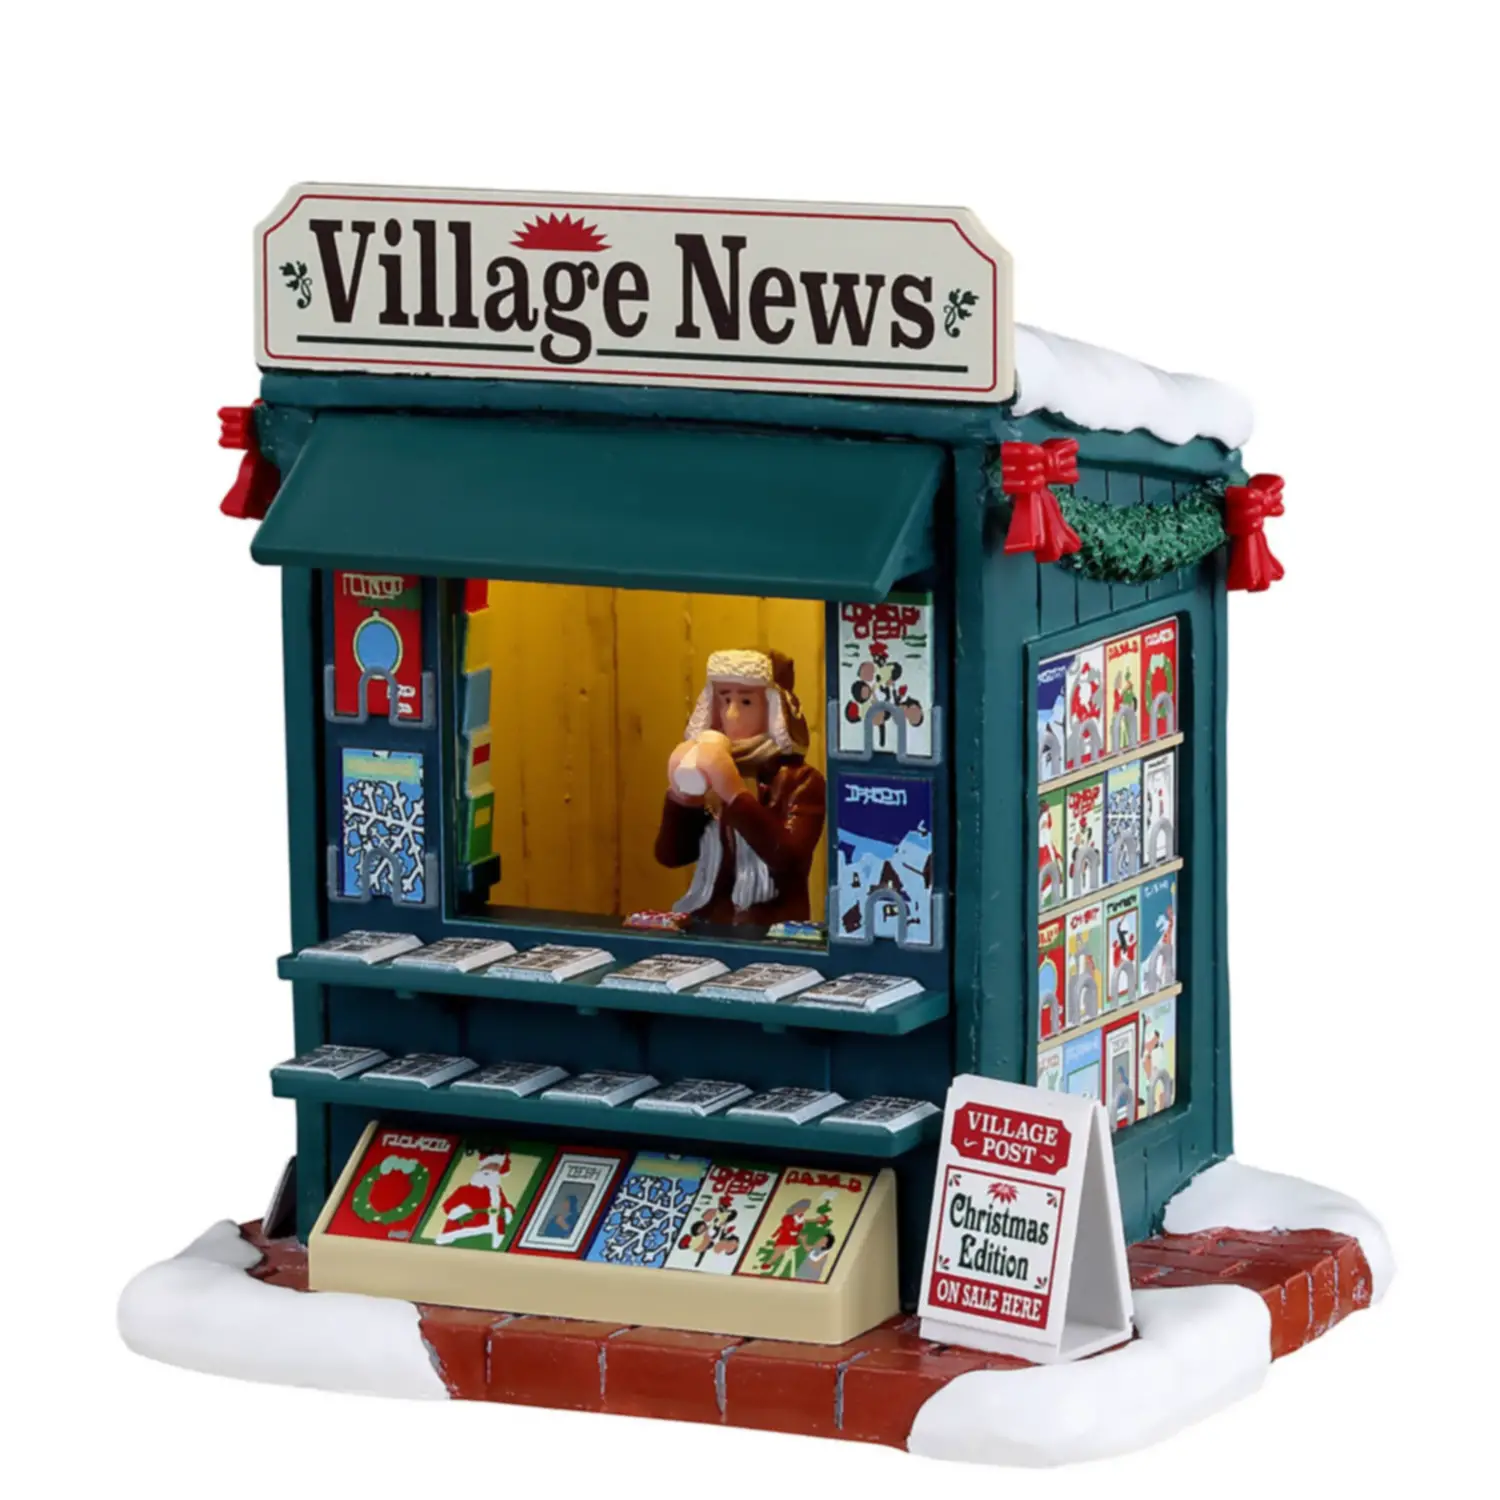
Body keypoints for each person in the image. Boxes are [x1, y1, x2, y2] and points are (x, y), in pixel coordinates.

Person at [656, 649, 826, 928]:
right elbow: (672, 856)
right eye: (724, 700)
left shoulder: (802, 780)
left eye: (746, 702)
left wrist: (734, 793)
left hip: (770, 925)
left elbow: (789, 859)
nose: (731, 714)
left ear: (773, 709)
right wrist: (682, 797)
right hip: (712, 919)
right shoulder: (708, 766)